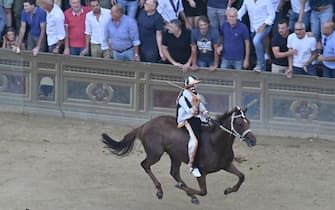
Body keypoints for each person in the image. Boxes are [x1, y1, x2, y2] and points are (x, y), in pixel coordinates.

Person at [176, 75, 209, 178]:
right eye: (194, 84)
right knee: (195, 140)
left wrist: (205, 112)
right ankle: (193, 165)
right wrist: (196, 104)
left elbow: (201, 108)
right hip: (187, 119)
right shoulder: (183, 97)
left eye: (196, 84)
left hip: (197, 117)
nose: (196, 86)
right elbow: (191, 111)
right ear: (190, 86)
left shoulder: (195, 94)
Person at [238, 0, 275, 71]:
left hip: (265, 26)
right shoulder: (247, 1)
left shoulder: (267, 1)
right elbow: (241, 11)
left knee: (256, 41)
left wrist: (264, 25)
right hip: (253, 28)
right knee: (256, 46)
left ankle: (260, 65)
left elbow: (272, 14)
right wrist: (233, 18)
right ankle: (263, 67)